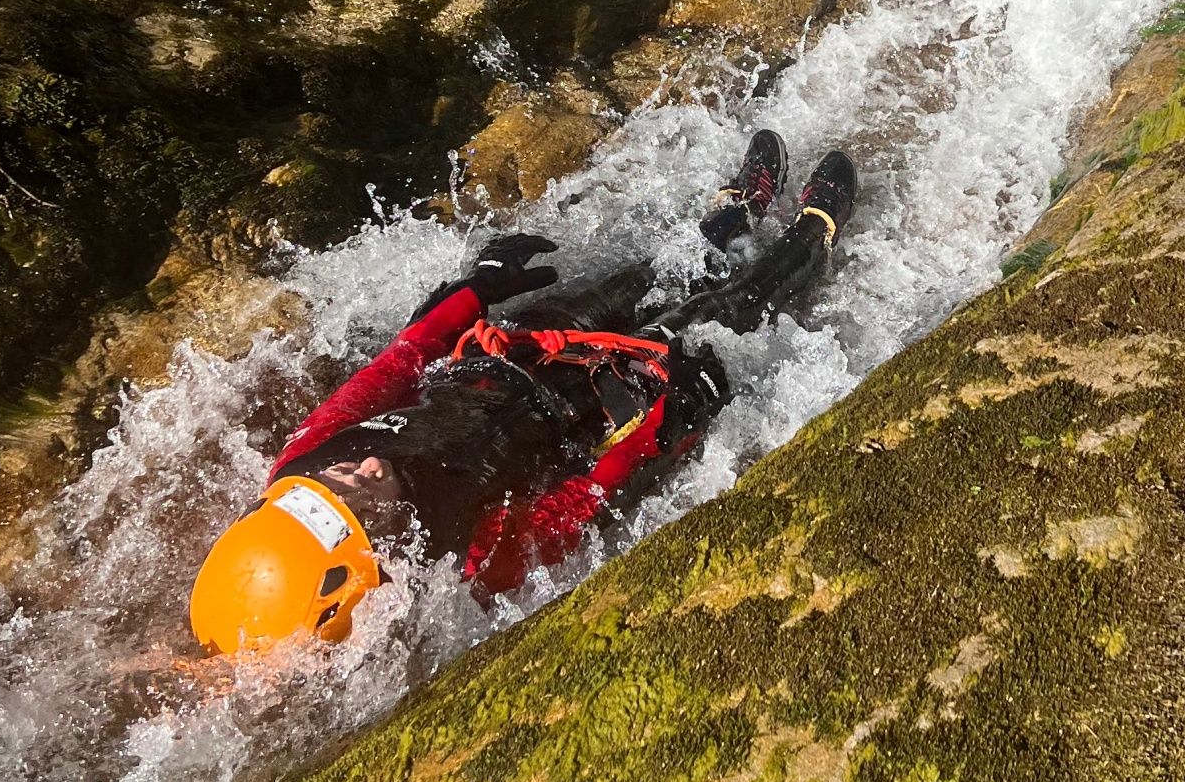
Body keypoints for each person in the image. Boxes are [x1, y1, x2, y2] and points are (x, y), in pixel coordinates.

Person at [187, 134, 858, 655]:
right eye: (362, 496)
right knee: (723, 312)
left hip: (514, 358)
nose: (359, 467)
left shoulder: (302, 463)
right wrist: (660, 417)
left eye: (335, 479)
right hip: (586, 415)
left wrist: (472, 294)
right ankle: (812, 234)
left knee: (652, 274)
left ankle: (735, 213)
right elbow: (575, 504)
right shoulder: (466, 567)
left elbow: (394, 368)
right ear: (378, 562)